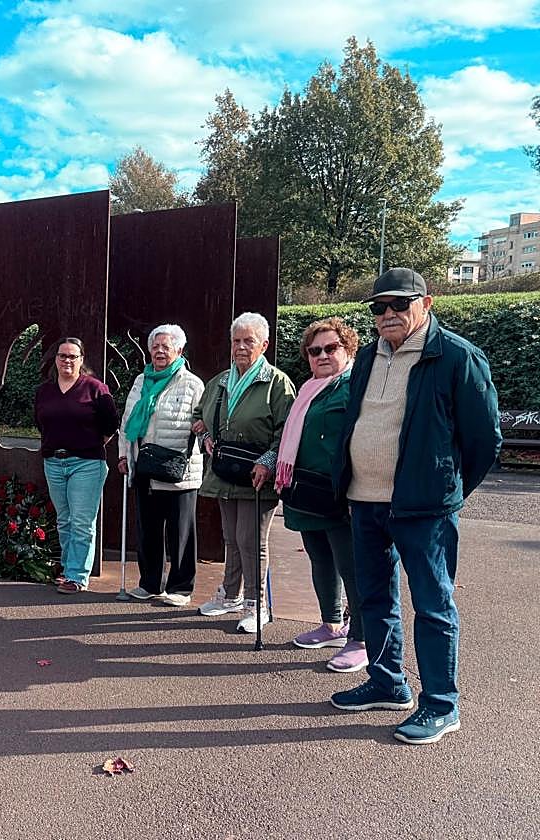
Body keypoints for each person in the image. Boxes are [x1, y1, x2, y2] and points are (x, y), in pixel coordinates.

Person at [330, 268, 500, 745]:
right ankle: (388, 683)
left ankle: (441, 706)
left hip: (423, 508)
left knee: (433, 605)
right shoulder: (366, 357)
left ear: (427, 303)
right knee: (375, 597)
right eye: (378, 308)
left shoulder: (457, 357)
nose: (387, 315)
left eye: (398, 305)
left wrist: (446, 490)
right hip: (364, 501)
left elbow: (484, 439)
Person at [192, 313, 296, 633]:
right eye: (236, 340)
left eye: (248, 341)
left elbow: (287, 430)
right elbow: (200, 415)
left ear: (264, 345)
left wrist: (267, 461)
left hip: (256, 474)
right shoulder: (221, 380)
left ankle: (257, 603)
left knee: (251, 540)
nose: (240, 347)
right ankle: (231, 594)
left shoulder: (277, 383)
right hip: (226, 470)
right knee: (231, 538)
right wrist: (205, 436)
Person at [274, 318, 367, 673]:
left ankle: (360, 637)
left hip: (342, 493)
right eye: (315, 351)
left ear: (348, 349)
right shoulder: (308, 389)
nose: (322, 355)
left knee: (351, 565)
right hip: (307, 492)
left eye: (331, 348)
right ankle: (331, 624)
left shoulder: (355, 386)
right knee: (319, 558)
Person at [116, 324, 204, 607]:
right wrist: (123, 456)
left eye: (166, 347)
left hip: (179, 469)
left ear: (179, 350)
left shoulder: (192, 383)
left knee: (181, 532)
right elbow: (127, 422)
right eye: (155, 346)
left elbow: (201, 425)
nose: (160, 351)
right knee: (148, 529)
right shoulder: (141, 381)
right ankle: (149, 583)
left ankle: (180, 587)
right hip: (145, 467)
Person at [34, 337, 119, 594]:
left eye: (73, 356)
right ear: (55, 360)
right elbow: (40, 423)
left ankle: (76, 576)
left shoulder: (95, 388)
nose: (67, 361)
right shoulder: (44, 391)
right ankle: (67, 568)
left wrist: (88, 443)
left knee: (82, 521)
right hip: (54, 462)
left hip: (87, 464)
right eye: (62, 356)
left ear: (82, 360)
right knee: (64, 520)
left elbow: (111, 424)